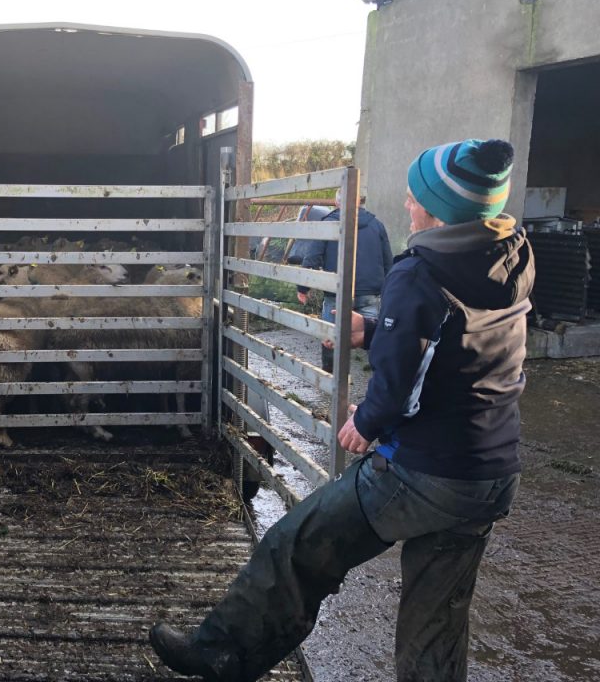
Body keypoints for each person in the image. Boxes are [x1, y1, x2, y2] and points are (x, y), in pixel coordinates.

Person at [149, 138, 534, 682]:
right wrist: (379, 328)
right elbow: (466, 342)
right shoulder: (512, 251)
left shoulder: (421, 270)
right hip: (490, 472)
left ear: (438, 208)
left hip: (426, 469)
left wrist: (366, 423)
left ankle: (220, 652)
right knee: (437, 621)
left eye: (414, 197)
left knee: (296, 547)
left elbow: (399, 380)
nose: (407, 205)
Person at [296, 190, 394, 372]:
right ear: (358, 202)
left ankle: (331, 378)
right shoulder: (376, 225)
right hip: (370, 294)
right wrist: (390, 290)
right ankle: (378, 380)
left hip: (337, 294)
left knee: (331, 338)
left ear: (336, 203)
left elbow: (313, 257)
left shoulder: (328, 224)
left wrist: (303, 287)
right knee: (375, 338)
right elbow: (388, 260)